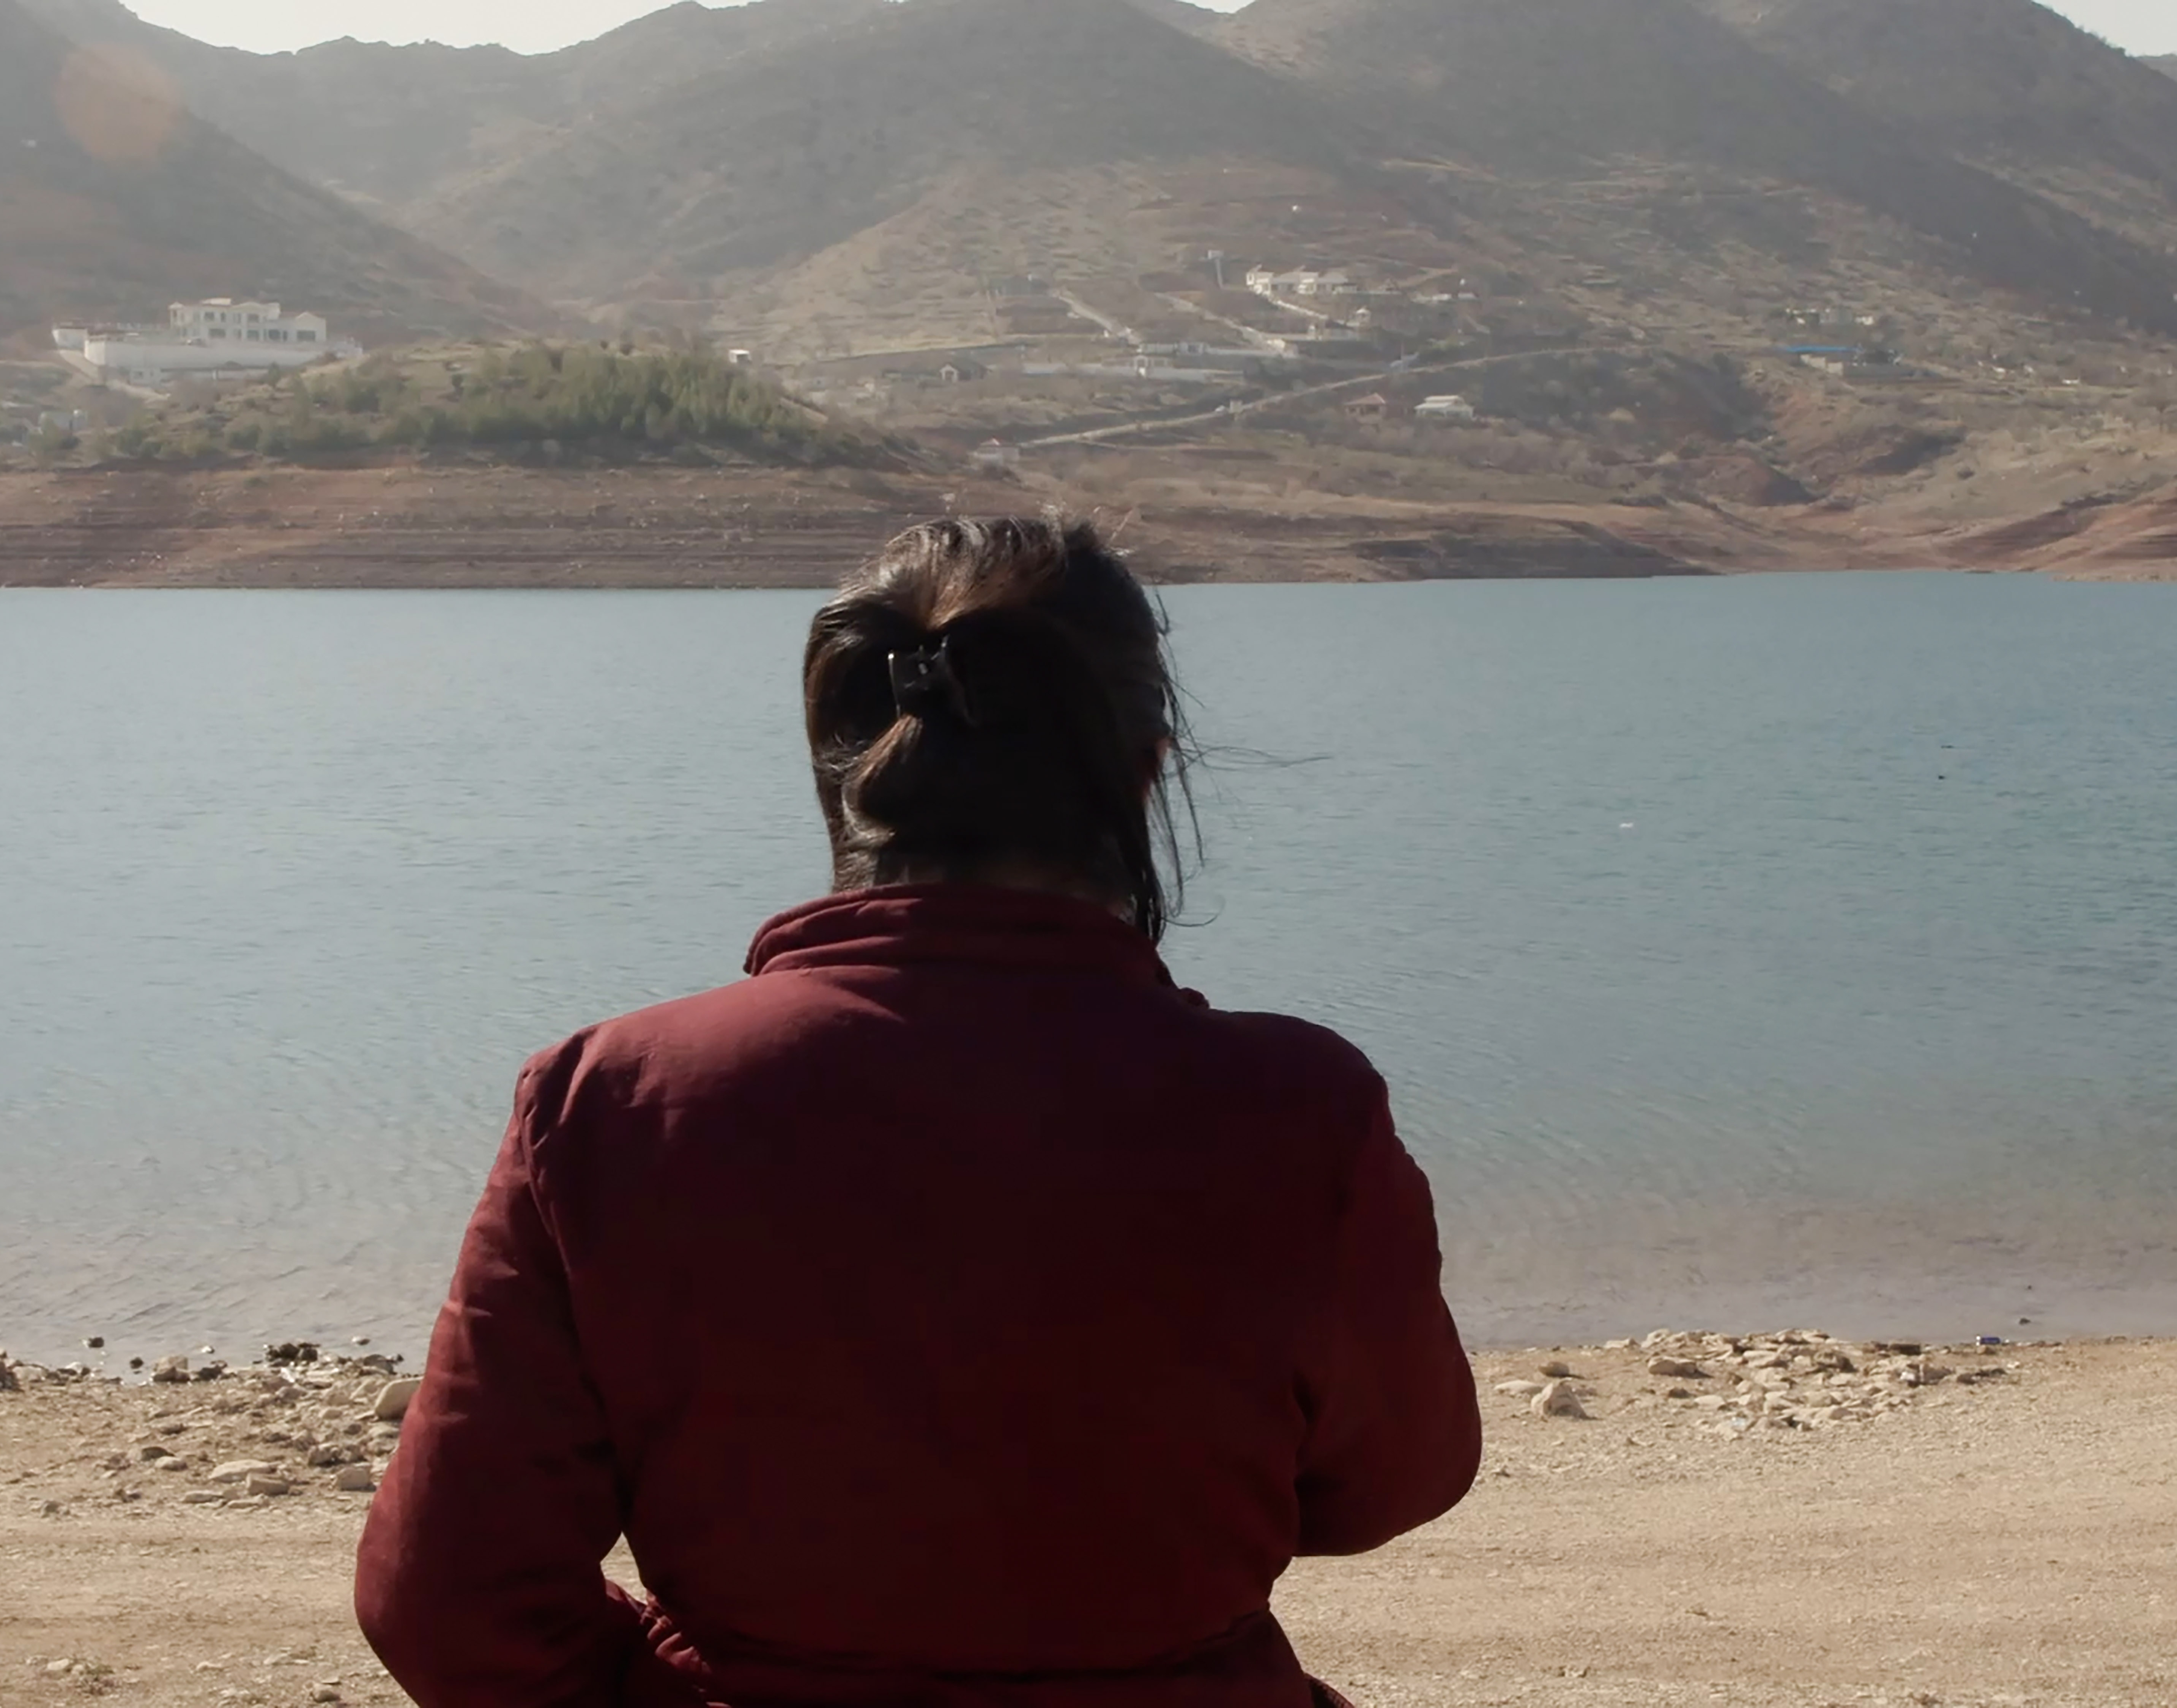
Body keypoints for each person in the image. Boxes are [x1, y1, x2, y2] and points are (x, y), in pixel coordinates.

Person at [357, 517, 1482, 1708]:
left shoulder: (609, 1102)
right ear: (1146, 770)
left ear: (848, 771)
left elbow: (446, 1597)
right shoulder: (1300, 1113)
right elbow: (1393, 1480)